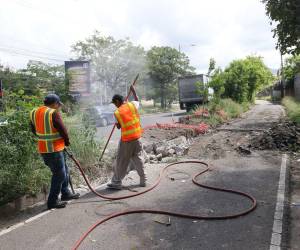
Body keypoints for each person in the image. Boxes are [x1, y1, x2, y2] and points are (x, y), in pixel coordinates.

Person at [30, 94, 80, 209]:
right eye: (58, 104)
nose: (58, 107)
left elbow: (34, 130)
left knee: (64, 170)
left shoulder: (34, 112)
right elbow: (63, 130)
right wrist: (66, 141)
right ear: (55, 103)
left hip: (44, 149)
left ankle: (66, 193)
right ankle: (52, 201)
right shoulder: (53, 113)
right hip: (54, 150)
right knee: (59, 174)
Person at [107, 86, 146, 189]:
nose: (115, 106)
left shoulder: (117, 112)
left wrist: (118, 122)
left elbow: (119, 126)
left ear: (117, 101)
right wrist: (133, 91)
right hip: (137, 137)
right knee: (137, 158)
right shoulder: (133, 105)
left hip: (127, 141)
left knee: (121, 161)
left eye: (115, 103)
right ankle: (143, 179)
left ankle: (116, 183)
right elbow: (137, 100)